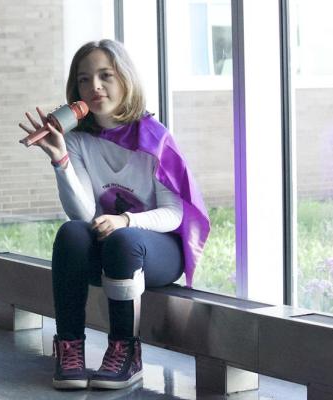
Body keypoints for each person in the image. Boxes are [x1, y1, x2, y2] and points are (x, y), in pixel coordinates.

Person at [19, 39, 210, 390]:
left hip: (153, 252)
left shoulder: (154, 139)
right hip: (107, 248)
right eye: (84, 79)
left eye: (105, 75)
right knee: (71, 233)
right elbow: (83, 214)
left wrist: (127, 221)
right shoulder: (77, 140)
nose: (94, 86)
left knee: (123, 240)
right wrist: (60, 159)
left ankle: (125, 351)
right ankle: (70, 348)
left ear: (125, 79)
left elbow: (175, 214)